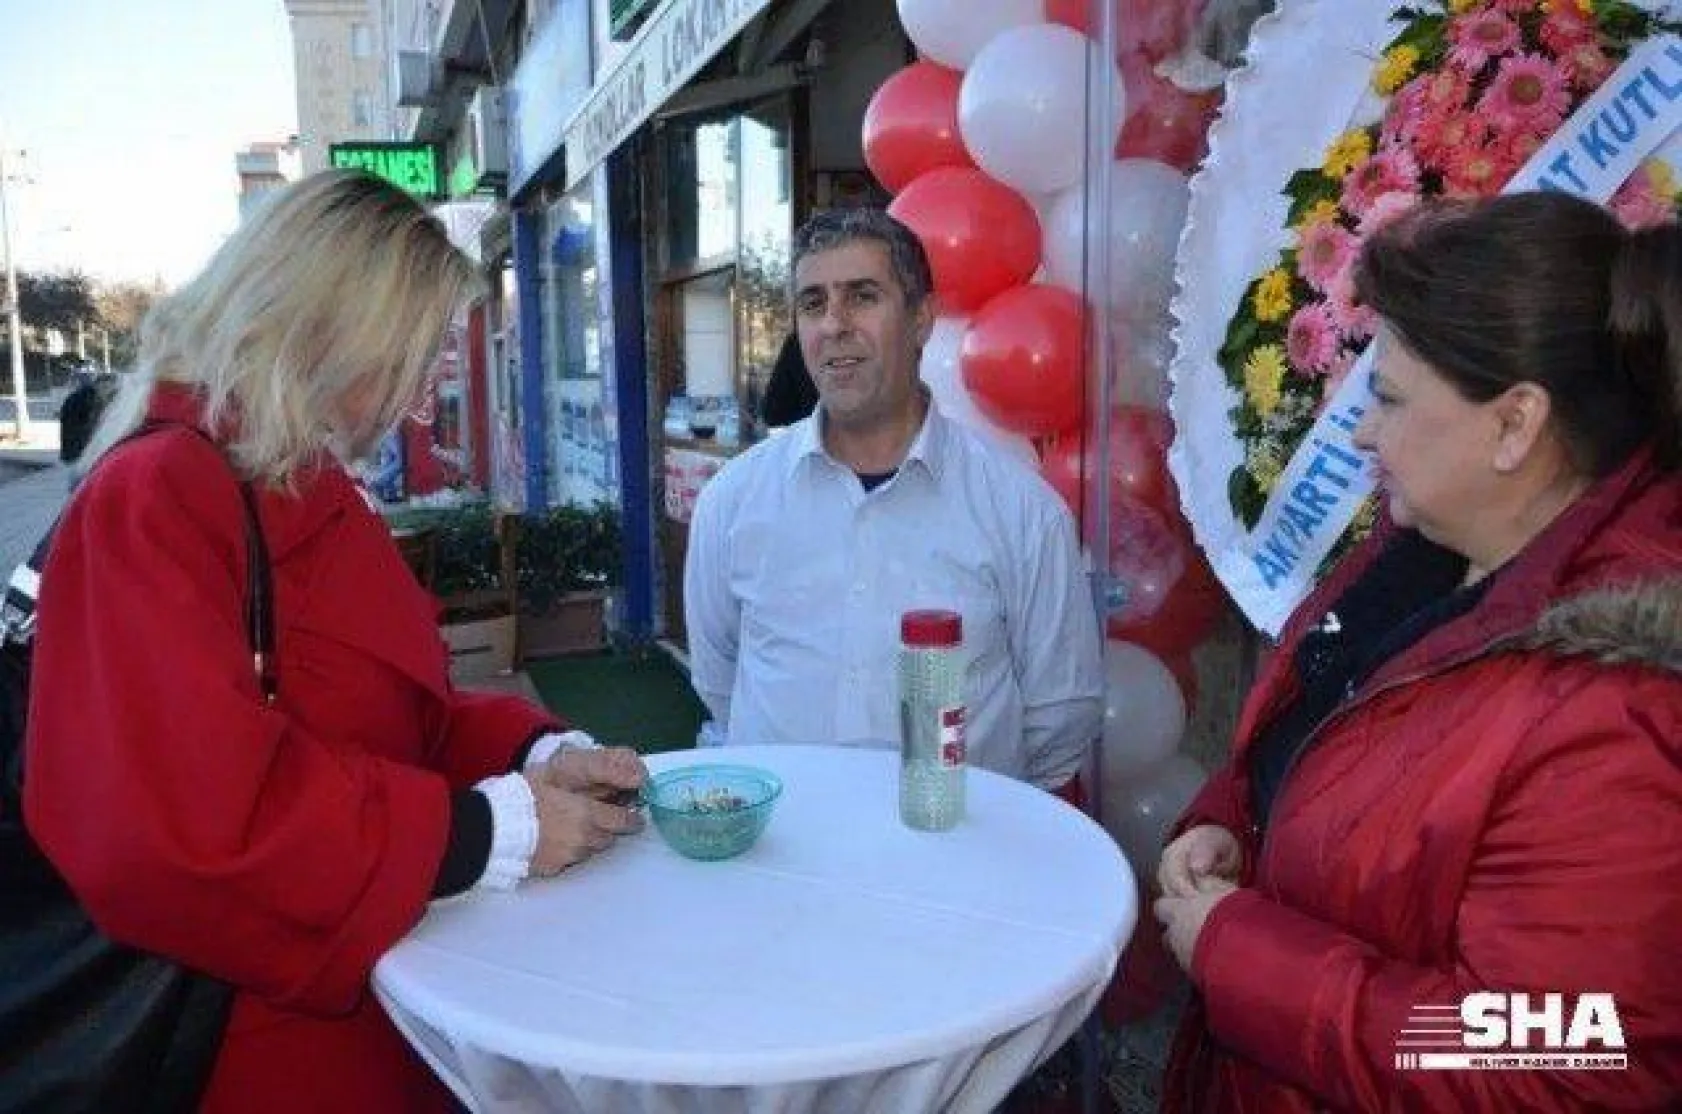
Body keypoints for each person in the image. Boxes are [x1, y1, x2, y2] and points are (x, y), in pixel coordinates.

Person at [21, 170, 648, 1113]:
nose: (417, 392)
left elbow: (402, 716)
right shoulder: (156, 494)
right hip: (251, 1032)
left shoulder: (292, 479)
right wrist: (481, 832)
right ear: (330, 331)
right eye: (411, 354)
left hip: (375, 980)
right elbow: (180, 827)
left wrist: (536, 753)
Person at [1153, 192, 1682, 1111]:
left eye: (1391, 399)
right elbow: (1315, 752)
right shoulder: (1421, 557)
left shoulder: (1620, 711)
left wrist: (1242, 956)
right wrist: (1227, 825)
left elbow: (1559, 1055)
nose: (1362, 430)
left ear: (1514, 425)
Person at [683, 208, 1104, 794]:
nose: (834, 325)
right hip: (785, 839)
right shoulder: (733, 501)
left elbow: (1059, 716)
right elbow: (719, 681)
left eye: (863, 297)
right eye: (813, 303)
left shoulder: (1022, 511)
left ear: (922, 319)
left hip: (955, 841)